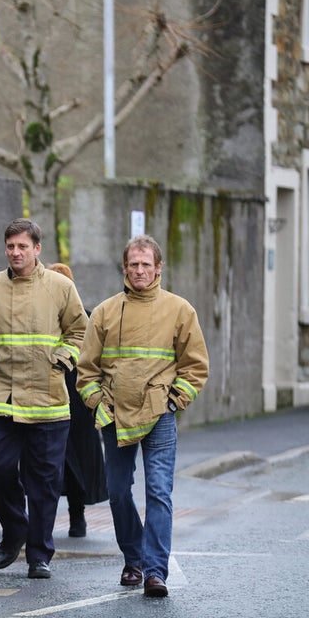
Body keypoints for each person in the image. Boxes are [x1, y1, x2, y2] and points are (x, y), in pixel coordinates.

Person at [76, 235, 209, 598]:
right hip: (115, 415)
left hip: (159, 416)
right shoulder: (104, 312)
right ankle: (133, 558)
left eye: (146, 264)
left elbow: (195, 365)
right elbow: (85, 370)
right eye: (133, 264)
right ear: (125, 267)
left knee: (159, 493)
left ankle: (154, 571)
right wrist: (97, 403)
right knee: (118, 493)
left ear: (158, 268)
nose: (139, 270)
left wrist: (175, 400)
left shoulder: (180, 310)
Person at [0, 218, 88, 580]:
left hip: (49, 399)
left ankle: (39, 554)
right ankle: (15, 529)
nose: (15, 252)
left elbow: (80, 330)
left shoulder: (61, 287)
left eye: (22, 246)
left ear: (37, 249)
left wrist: (63, 360)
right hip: (3, 398)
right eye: (10, 246)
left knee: (45, 483)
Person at [46, 263, 108, 537]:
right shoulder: (41, 319)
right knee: (45, 459)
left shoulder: (87, 318)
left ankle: (77, 514)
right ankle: (42, 521)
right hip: (46, 395)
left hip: (79, 398)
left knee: (78, 459)